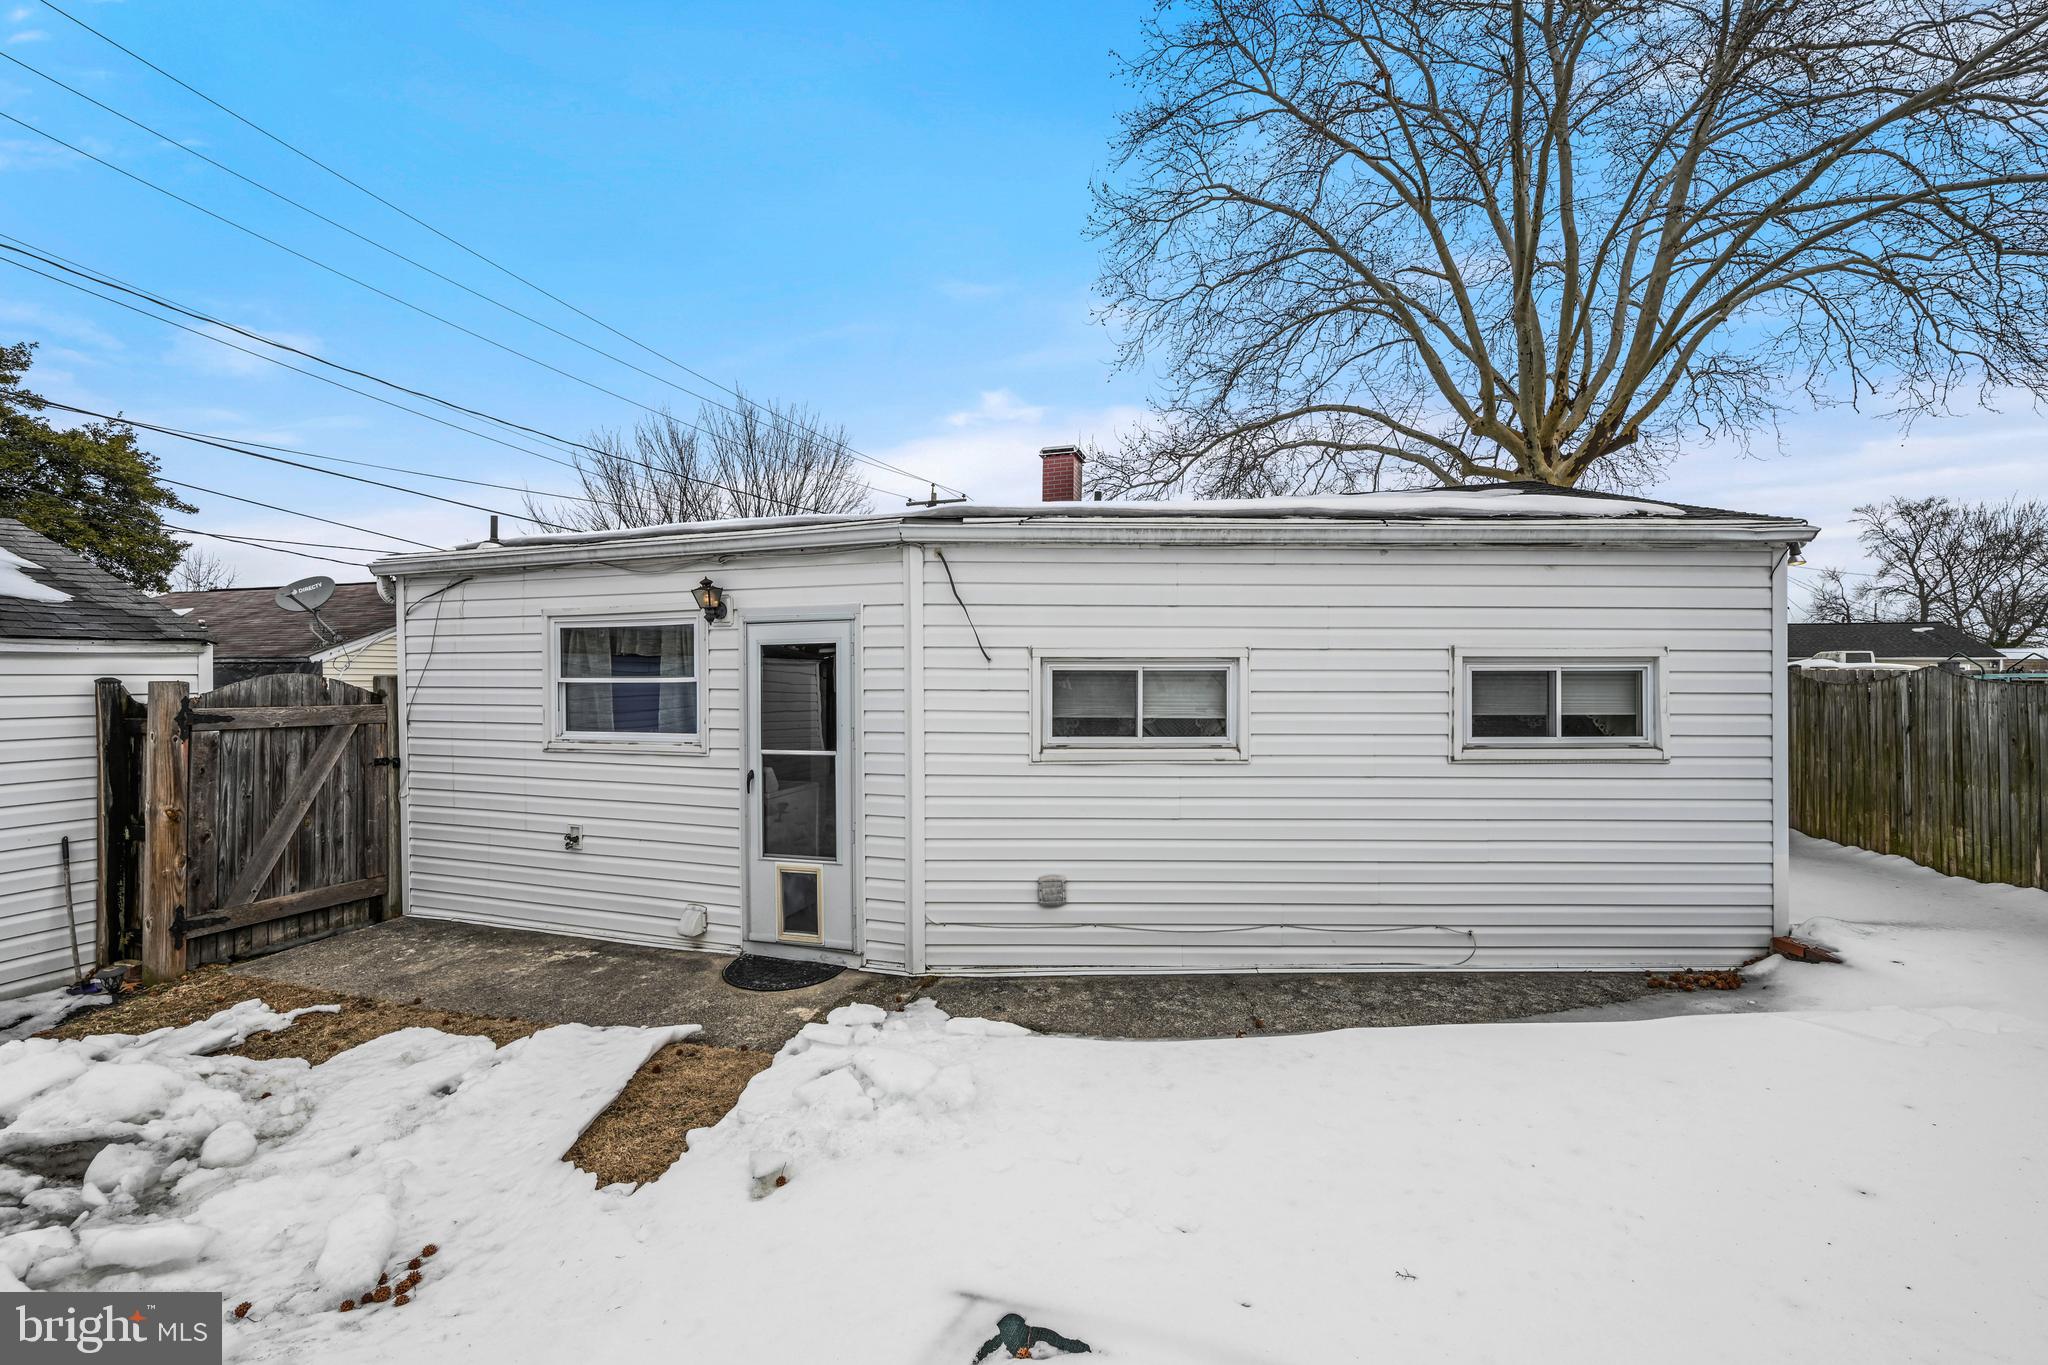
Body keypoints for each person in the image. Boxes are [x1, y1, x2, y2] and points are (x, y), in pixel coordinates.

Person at [972, 1312, 1091, 1361]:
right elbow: (988, 1347)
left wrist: (1084, 1348)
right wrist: (976, 1359)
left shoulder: (1039, 1334)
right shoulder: (1005, 1337)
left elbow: (1061, 1342)